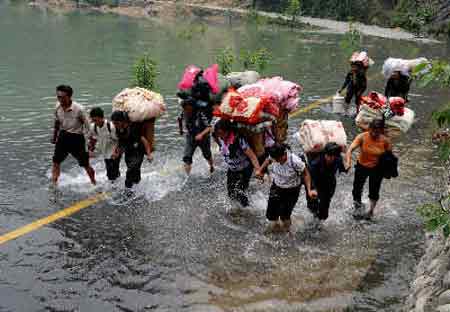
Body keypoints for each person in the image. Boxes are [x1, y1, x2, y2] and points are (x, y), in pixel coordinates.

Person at [256, 143, 317, 232]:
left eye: (279, 159)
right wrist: (260, 170)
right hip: (276, 187)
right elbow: (268, 160)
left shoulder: (295, 161)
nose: (277, 161)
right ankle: (276, 229)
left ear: (284, 154)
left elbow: (306, 174)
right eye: (275, 159)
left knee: (285, 216)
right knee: (271, 215)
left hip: (291, 190)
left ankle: (287, 231)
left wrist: (309, 190)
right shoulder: (275, 156)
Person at [345, 119, 392, 220]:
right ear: (369, 128)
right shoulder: (362, 137)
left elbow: (389, 156)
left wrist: (388, 170)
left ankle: (371, 211)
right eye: (373, 131)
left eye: (377, 132)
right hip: (362, 166)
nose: (374, 134)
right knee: (357, 189)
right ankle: (357, 206)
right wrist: (348, 162)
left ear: (381, 131)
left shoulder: (385, 141)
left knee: (374, 191)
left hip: (377, 169)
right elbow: (350, 149)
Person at [51, 85, 96, 186]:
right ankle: (54, 184)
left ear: (69, 96)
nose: (60, 99)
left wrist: (91, 145)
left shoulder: (79, 109)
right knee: (56, 162)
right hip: (62, 136)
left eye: (62, 97)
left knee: (85, 164)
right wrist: (54, 136)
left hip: (76, 138)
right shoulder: (57, 106)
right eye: (58, 97)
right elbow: (57, 121)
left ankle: (94, 182)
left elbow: (89, 127)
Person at [213, 119, 261, 208]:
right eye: (218, 133)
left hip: (245, 169)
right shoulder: (218, 137)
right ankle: (236, 211)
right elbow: (222, 147)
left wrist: (258, 170)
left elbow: (252, 156)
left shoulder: (239, 140)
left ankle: (248, 210)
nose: (220, 136)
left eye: (222, 133)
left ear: (228, 131)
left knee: (240, 191)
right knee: (231, 193)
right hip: (232, 169)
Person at [110, 111, 153, 189]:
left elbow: (144, 141)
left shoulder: (133, 128)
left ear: (122, 121)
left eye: (116, 123)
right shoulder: (119, 129)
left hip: (138, 152)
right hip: (128, 152)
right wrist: (116, 153)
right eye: (114, 123)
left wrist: (149, 154)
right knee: (134, 171)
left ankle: (128, 189)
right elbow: (120, 143)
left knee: (131, 170)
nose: (115, 125)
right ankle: (137, 186)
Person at [306, 143, 347, 222]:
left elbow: (342, 169)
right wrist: (312, 189)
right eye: (328, 155)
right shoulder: (316, 163)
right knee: (312, 206)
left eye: (333, 156)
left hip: (329, 185)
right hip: (316, 184)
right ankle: (314, 217)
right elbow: (310, 178)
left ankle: (319, 222)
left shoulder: (338, 159)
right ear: (325, 154)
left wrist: (347, 165)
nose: (330, 158)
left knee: (324, 211)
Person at [178, 100, 214, 175]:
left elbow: (209, 127)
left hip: (203, 137)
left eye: (189, 109)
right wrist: (180, 130)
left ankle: (211, 166)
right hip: (191, 137)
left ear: (193, 107)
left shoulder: (200, 113)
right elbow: (179, 119)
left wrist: (201, 134)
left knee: (207, 155)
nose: (187, 111)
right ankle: (187, 176)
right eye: (185, 109)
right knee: (187, 157)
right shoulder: (183, 112)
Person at [87, 107, 120, 183]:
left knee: (111, 171)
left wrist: (116, 152)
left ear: (101, 118)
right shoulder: (94, 127)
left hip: (114, 151)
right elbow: (93, 138)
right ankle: (117, 184)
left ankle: (114, 186)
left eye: (96, 120)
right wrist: (90, 150)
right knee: (112, 171)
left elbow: (119, 141)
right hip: (105, 152)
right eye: (93, 120)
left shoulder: (111, 127)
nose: (95, 122)